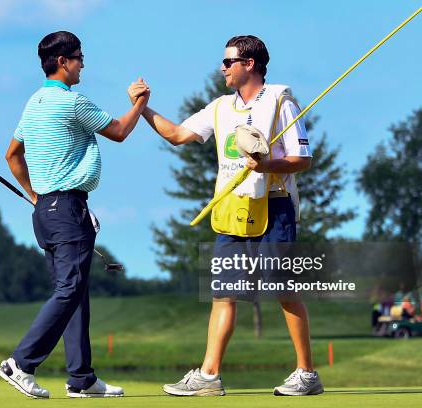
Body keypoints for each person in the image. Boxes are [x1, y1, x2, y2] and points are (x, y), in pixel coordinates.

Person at [138, 35, 323, 396]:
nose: (222, 68)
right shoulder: (221, 107)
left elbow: (303, 159)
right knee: (224, 292)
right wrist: (143, 108)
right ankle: (209, 376)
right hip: (231, 208)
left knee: (284, 288)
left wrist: (267, 164)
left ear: (249, 64)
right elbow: (177, 135)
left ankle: (306, 374)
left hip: (274, 203)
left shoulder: (281, 101)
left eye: (228, 62)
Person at [0, 31, 150, 399]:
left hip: (47, 211)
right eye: (79, 57)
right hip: (67, 208)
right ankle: (21, 363)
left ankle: (81, 378)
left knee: (75, 291)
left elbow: (12, 155)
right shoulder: (72, 102)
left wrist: (35, 195)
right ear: (63, 61)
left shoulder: (33, 102)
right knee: (69, 290)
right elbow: (119, 131)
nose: (83, 63)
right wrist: (141, 103)